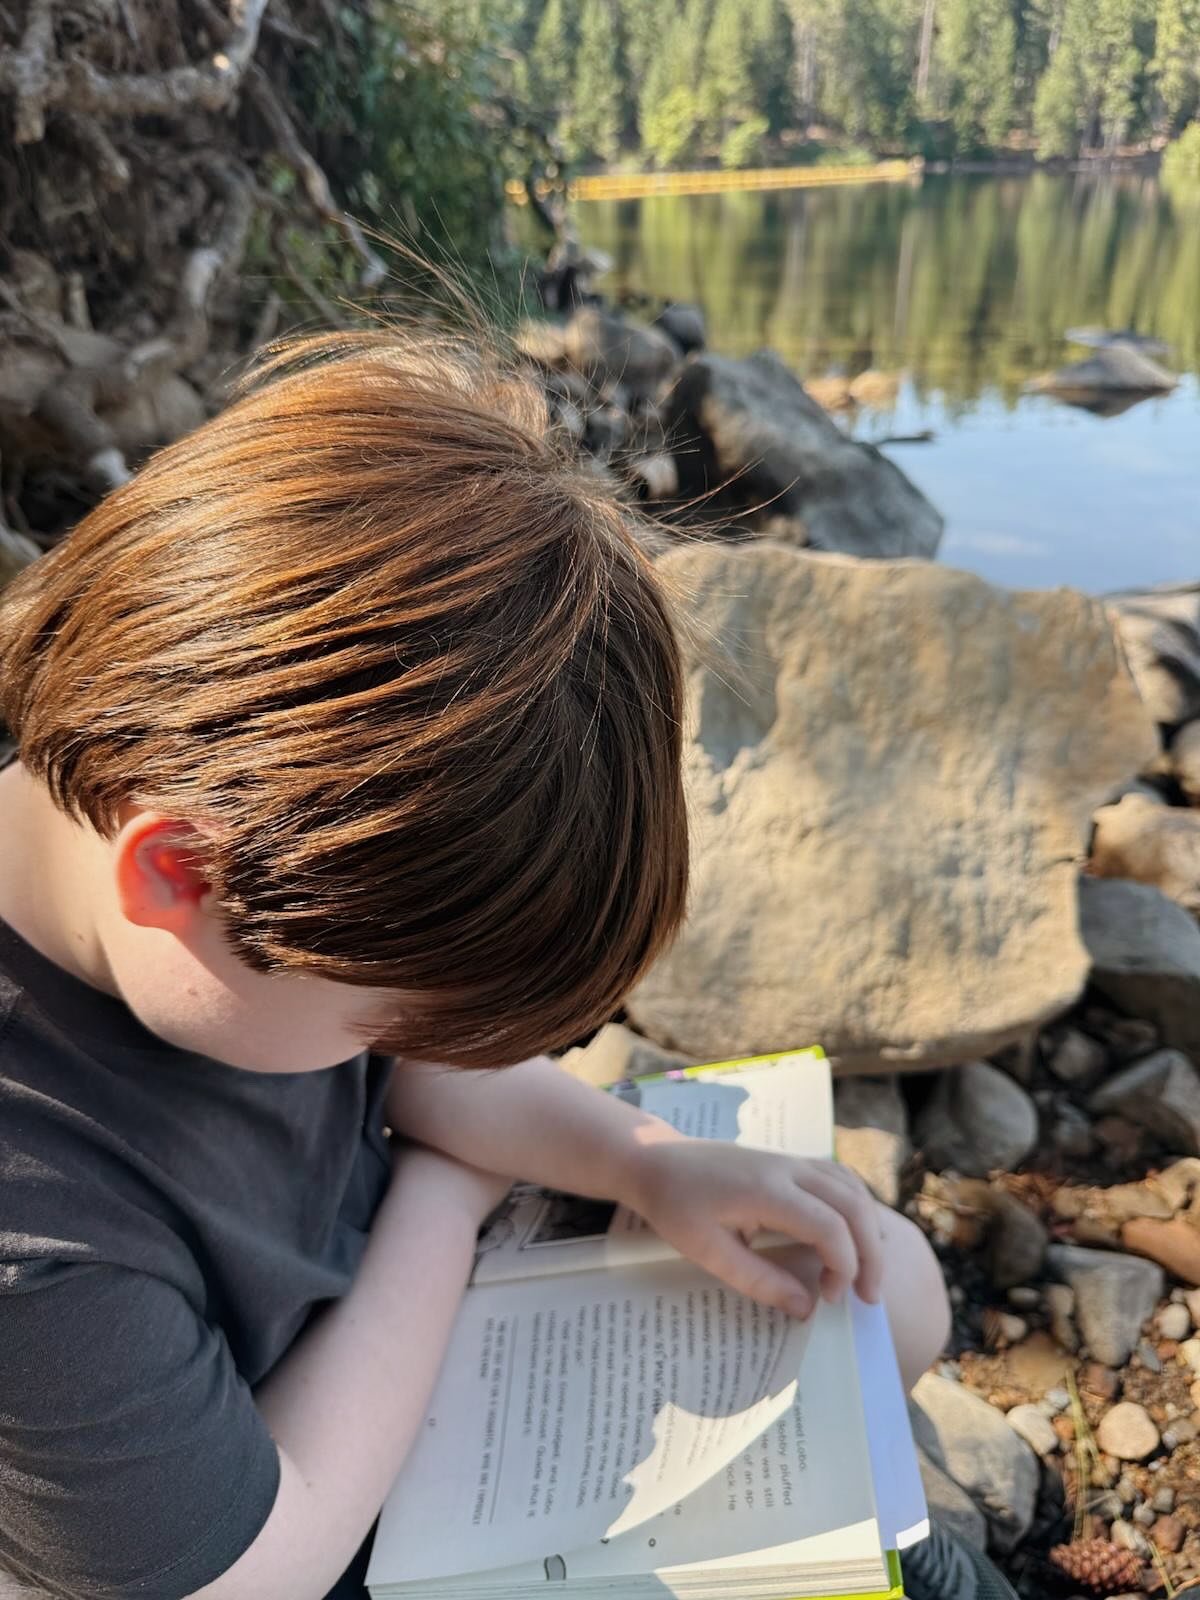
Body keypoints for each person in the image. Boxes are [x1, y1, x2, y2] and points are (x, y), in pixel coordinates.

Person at [0, 329, 987, 1600]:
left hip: (409, 1328)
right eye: (383, 1020)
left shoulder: (248, 870)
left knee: (879, 1291)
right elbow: (244, 1573)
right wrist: (446, 1198)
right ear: (176, 877)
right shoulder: (33, 1212)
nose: (404, 1052)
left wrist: (649, 1162)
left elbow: (418, 1078)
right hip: (289, 1502)